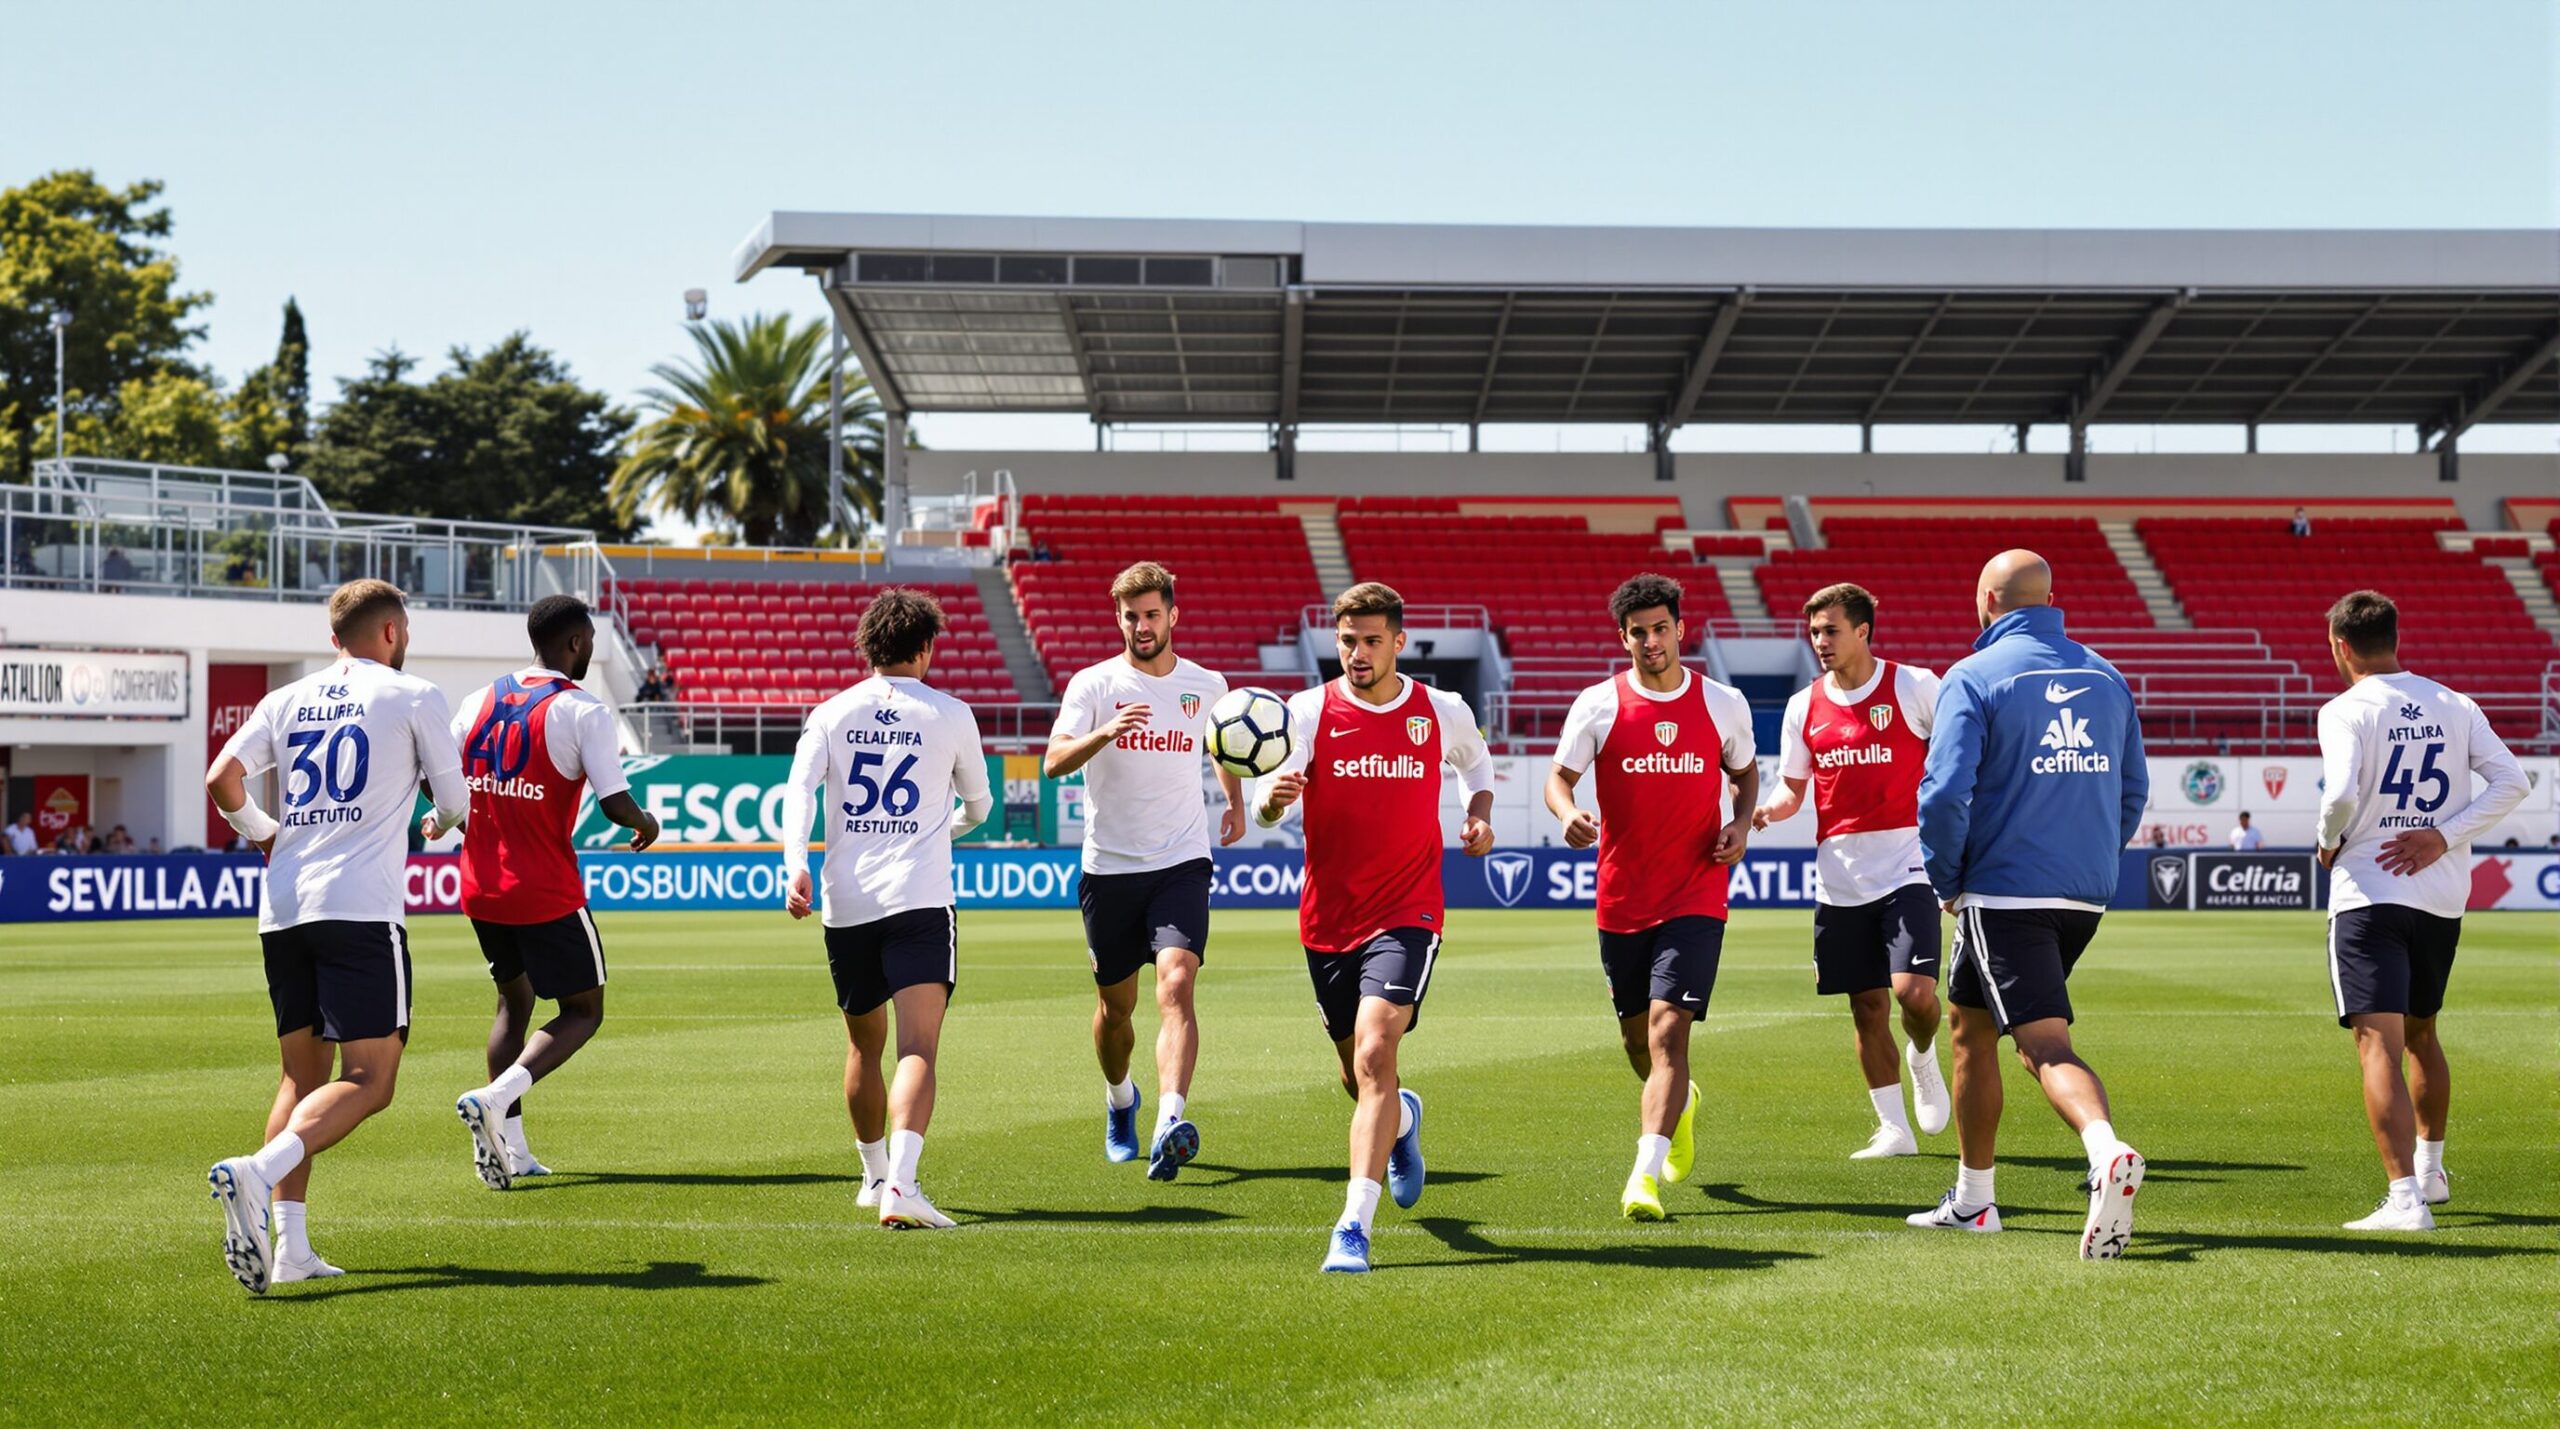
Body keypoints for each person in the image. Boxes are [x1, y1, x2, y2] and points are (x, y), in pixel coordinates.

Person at [203, 579, 469, 1293]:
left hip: (284, 907)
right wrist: (438, 825)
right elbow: (453, 801)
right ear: (392, 632)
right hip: (360, 908)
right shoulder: (414, 696)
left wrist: (264, 833)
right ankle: (255, 1175)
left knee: (301, 1075)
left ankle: (289, 1247)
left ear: (334, 639)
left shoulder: (285, 698)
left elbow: (222, 778)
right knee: (371, 1080)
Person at [1908, 550, 2150, 1261]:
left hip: (2002, 889)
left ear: (1986, 599)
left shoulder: (1974, 676)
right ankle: (1975, 1200)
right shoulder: (2105, 674)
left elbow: (1945, 792)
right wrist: (2094, 856)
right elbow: (2131, 791)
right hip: (2084, 890)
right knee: (1967, 1024)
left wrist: (1947, 879)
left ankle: (2104, 1149)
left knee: (2041, 1043)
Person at [1253, 583, 1495, 1274]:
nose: (1357, 653)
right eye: (1346, 641)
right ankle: (1405, 1123)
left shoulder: (1438, 709)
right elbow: (1273, 810)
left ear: (1397, 641)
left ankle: (1353, 1224)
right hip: (1328, 918)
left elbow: (1475, 764)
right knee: (1357, 1074)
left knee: (1374, 1050)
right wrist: (1270, 804)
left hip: (1409, 909)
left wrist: (1476, 813)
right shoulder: (1306, 711)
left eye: (1369, 640)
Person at [2312, 590, 2526, 1232]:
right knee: (2423, 1032)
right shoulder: (2452, 702)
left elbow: (2342, 792)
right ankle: (2431, 1172)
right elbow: (2513, 782)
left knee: (2378, 1041)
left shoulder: (2345, 709)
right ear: (2394, 638)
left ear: (2340, 646)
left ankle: (2404, 1201)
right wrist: (2444, 834)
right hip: (2440, 893)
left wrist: (2327, 841)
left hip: (2372, 892)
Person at [1546, 573, 1756, 1221]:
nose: (1651, 640)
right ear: (1624, 637)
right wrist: (1565, 813)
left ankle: (1643, 1176)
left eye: (1661, 628)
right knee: (1640, 1046)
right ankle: (1680, 1104)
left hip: (1696, 892)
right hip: (1622, 898)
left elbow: (1745, 774)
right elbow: (1559, 777)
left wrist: (1740, 823)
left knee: (1669, 1034)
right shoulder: (1598, 704)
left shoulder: (1723, 702)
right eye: (1638, 631)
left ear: (1679, 629)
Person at [781, 588, 992, 1229]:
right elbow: (981, 809)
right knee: (918, 1047)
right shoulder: (952, 713)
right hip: (919, 898)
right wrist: (938, 831)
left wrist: (795, 862)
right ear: (925, 648)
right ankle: (902, 1184)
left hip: (848, 903)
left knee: (861, 1047)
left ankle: (873, 1175)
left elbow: (799, 790)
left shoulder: (831, 712)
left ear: (869, 646)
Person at [448, 595, 663, 1190]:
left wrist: (476, 828)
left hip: (481, 886)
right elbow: (615, 803)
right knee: (583, 1009)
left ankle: (511, 1152)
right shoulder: (581, 710)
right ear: (574, 643)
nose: (591, 651)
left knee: (512, 1006)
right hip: (542, 888)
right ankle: (496, 1099)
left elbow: (436, 778)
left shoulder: (478, 699)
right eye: (589, 641)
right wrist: (647, 824)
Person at [1042, 561, 1245, 1180]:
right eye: (1131, 616)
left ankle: (1168, 1121)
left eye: (1152, 614)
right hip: (1110, 869)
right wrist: (1105, 732)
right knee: (1117, 1011)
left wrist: (1233, 802)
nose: (1142, 625)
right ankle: (1121, 1099)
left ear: (1173, 616)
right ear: (1119, 619)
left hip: (1182, 860)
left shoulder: (1209, 685)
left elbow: (1224, 745)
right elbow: (1052, 763)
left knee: (1176, 985)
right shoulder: (1093, 685)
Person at [1751, 582, 1950, 1162]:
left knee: (1913, 994)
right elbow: (1793, 790)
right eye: (1813, 631)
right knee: (1866, 1008)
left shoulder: (1914, 685)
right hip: (1838, 875)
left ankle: (1923, 1054)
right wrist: (1766, 810)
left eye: (1830, 630)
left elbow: (1957, 758)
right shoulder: (1802, 705)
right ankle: (1894, 1129)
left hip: (1909, 864)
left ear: (1863, 631)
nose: (1819, 641)